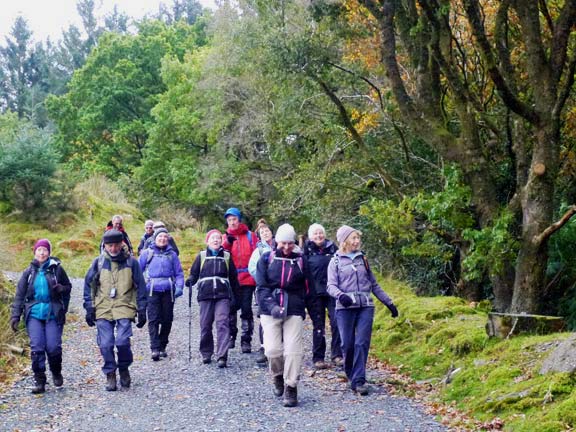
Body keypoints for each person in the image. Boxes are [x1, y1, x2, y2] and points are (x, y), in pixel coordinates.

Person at [327, 225, 399, 396]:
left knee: (362, 342)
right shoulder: (335, 261)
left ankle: (359, 380)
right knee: (347, 344)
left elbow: (373, 284)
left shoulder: (363, 259)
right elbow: (330, 285)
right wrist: (341, 296)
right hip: (345, 308)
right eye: (353, 238)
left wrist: (389, 303)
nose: (357, 241)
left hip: (366, 306)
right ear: (344, 241)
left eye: (358, 238)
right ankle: (351, 373)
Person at [84, 229, 147, 391]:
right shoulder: (98, 262)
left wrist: (142, 309)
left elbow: (141, 287)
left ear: (122, 244)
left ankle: (124, 367)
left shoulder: (132, 262)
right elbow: (89, 285)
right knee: (105, 344)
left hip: (124, 306)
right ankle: (110, 373)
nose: (113, 248)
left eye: (116, 245)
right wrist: (89, 307)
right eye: (109, 245)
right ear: (105, 245)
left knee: (122, 342)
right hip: (103, 307)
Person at [10, 239, 72, 394]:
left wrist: (61, 290)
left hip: (53, 313)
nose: (42, 253)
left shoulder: (57, 270)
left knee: (53, 347)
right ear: (34, 252)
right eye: (39, 250)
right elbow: (19, 295)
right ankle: (40, 380)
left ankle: (56, 371)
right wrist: (15, 316)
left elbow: (68, 287)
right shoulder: (28, 272)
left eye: (45, 250)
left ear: (49, 253)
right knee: (37, 347)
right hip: (34, 314)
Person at [256, 223, 308, 407]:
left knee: (294, 350)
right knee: (272, 350)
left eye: (290, 243)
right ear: (276, 241)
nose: (286, 247)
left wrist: (314, 313)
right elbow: (261, 288)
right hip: (270, 308)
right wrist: (271, 307)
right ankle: (277, 375)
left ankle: (291, 386)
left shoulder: (302, 260)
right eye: (283, 243)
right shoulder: (265, 259)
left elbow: (308, 288)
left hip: (294, 308)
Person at [186, 229, 239, 368]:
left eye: (218, 238)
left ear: (221, 241)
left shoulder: (227, 257)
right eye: (213, 238)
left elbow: (233, 279)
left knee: (222, 323)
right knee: (205, 325)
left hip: (223, 295)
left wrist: (236, 298)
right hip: (205, 295)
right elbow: (194, 274)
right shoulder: (202, 256)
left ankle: (222, 355)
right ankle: (206, 352)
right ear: (207, 241)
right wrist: (190, 280)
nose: (216, 240)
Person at [139, 228, 184, 361]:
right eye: (160, 237)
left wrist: (179, 286)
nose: (162, 239)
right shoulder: (147, 253)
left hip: (168, 291)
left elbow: (179, 273)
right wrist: (141, 287)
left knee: (167, 319)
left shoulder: (172, 255)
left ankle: (163, 345)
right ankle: (155, 348)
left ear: (168, 239)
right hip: (151, 290)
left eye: (165, 237)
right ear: (155, 239)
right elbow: (137, 271)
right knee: (153, 319)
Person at [303, 223, 342, 369]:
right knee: (318, 325)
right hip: (314, 294)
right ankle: (318, 358)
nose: (318, 236)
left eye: (321, 233)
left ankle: (337, 355)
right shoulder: (306, 251)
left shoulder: (333, 248)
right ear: (310, 236)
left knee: (337, 323)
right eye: (315, 234)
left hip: (333, 292)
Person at [222, 207, 258, 353]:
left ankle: (246, 340)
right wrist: (228, 243)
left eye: (234, 219)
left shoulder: (250, 236)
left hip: (248, 277)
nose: (232, 222)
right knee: (231, 308)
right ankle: (231, 335)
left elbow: (257, 255)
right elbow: (221, 254)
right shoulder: (225, 237)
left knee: (246, 309)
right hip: (232, 279)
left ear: (239, 220)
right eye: (229, 220)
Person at [248, 219, 276, 364]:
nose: (266, 233)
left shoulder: (281, 246)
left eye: (267, 231)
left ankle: (278, 348)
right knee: (265, 317)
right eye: (263, 232)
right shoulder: (258, 251)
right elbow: (252, 268)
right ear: (259, 236)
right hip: (264, 288)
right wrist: (262, 279)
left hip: (280, 288)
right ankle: (264, 348)